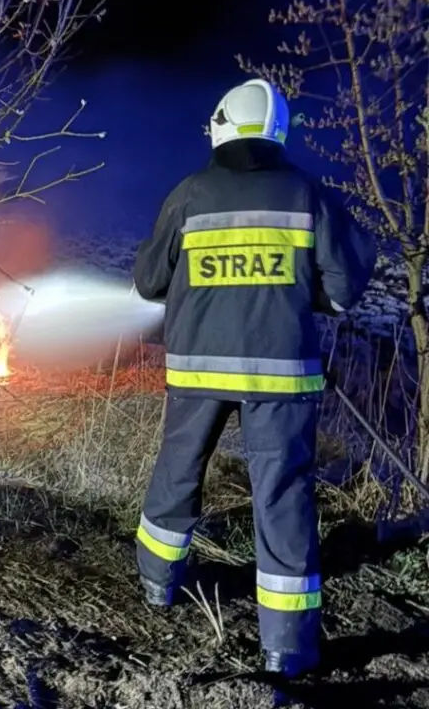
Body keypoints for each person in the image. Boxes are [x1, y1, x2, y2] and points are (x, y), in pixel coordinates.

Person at [131, 78, 376, 677]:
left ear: (221, 127)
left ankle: (158, 586)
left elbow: (147, 283)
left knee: (179, 468)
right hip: (281, 375)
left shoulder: (189, 194)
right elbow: (344, 292)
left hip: (197, 368)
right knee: (282, 494)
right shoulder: (306, 194)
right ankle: (287, 647)